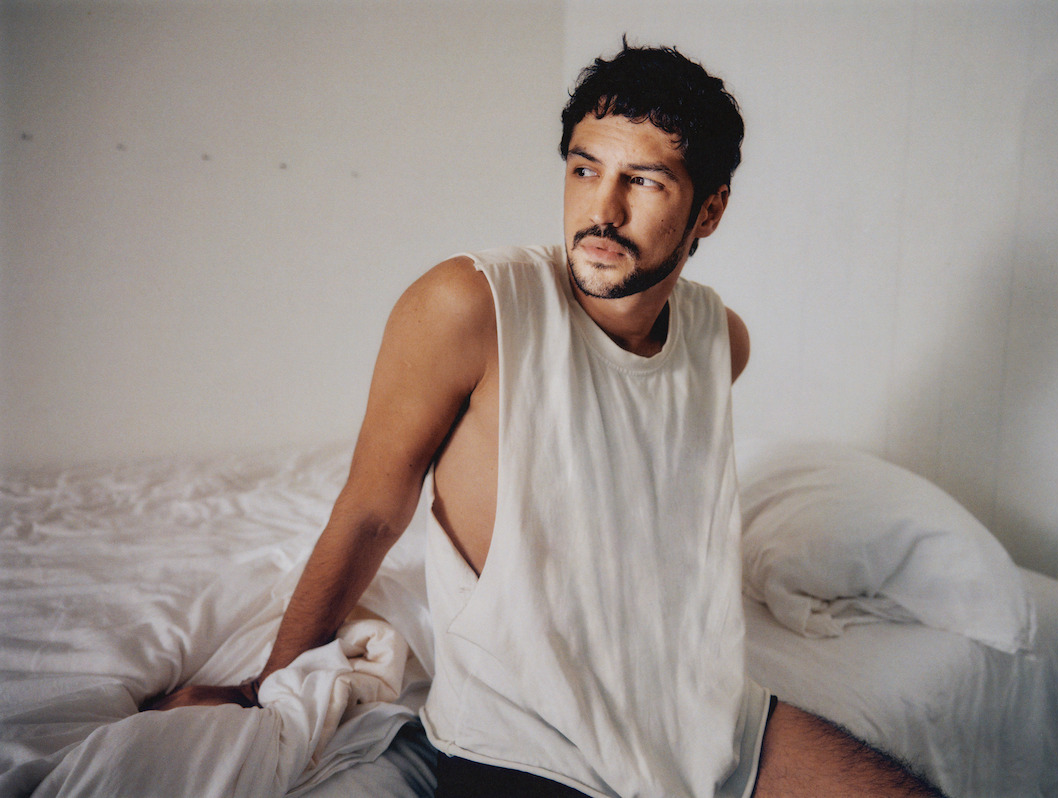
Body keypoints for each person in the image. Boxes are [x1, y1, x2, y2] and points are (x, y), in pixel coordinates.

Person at [148, 41, 944, 798]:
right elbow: (369, 514)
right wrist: (267, 691)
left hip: (701, 717)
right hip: (524, 736)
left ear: (710, 211)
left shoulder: (719, 342)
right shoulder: (472, 306)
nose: (601, 208)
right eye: (584, 168)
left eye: (646, 181)